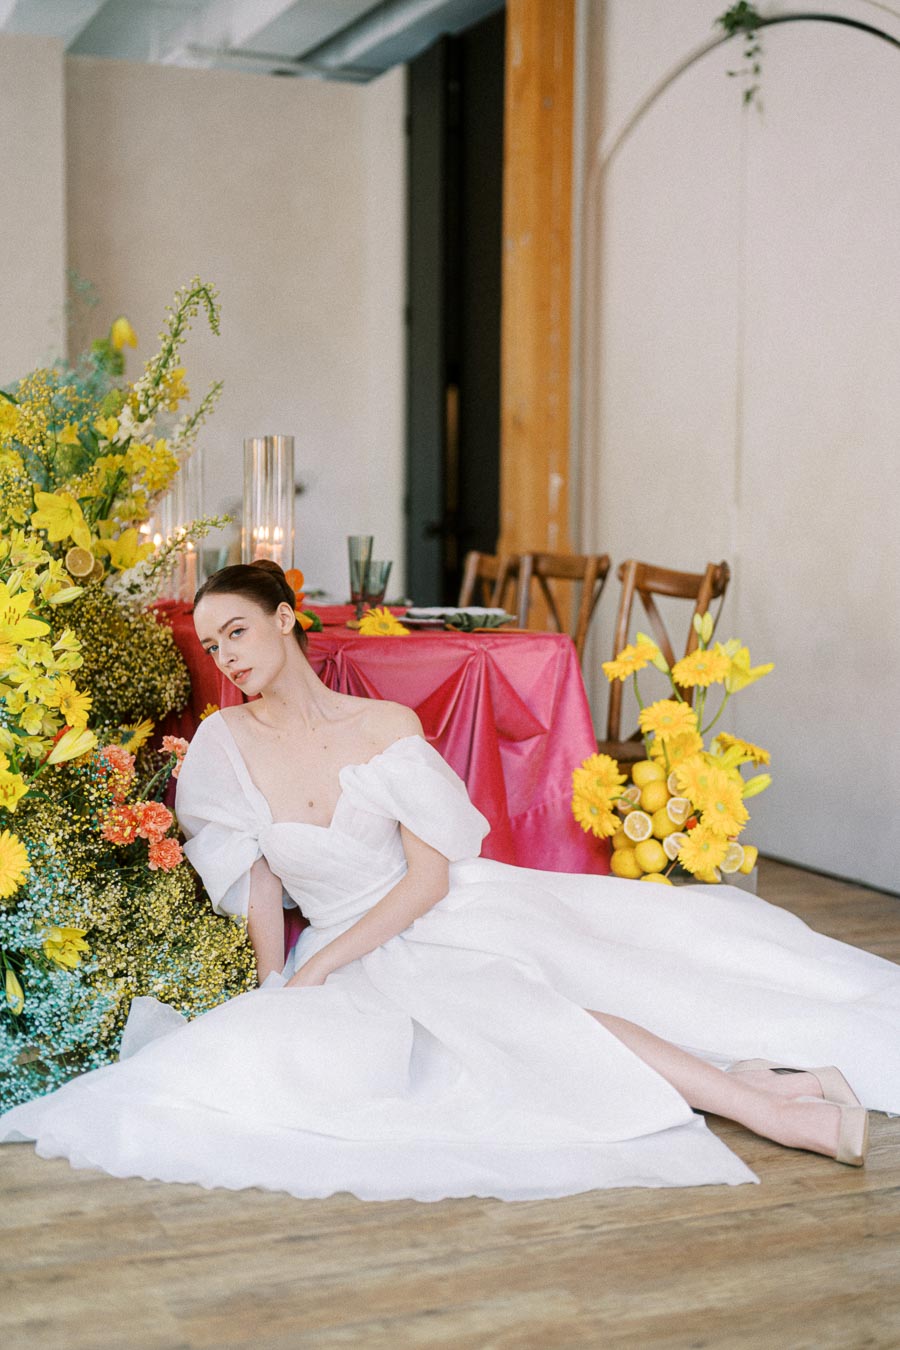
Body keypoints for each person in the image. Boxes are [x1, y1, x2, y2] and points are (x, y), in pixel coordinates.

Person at [1, 560, 897, 1201]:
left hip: (444, 907)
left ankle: (768, 1101)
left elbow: (429, 880)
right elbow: (261, 884)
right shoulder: (224, 749)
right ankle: (770, 1091)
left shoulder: (384, 723)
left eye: (238, 630)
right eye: (212, 643)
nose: (226, 656)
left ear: (286, 619)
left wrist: (323, 964)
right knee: (512, 1032)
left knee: (561, 995)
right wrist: (279, 982)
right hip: (353, 945)